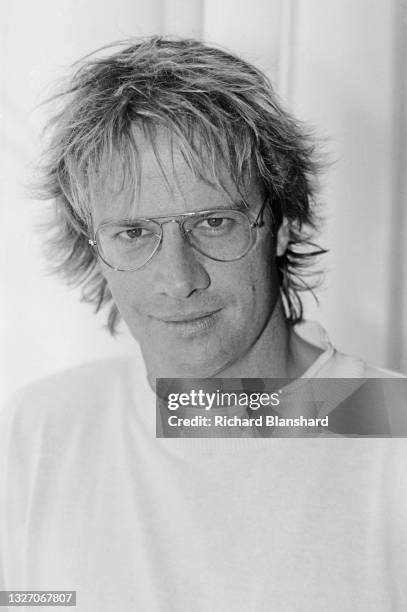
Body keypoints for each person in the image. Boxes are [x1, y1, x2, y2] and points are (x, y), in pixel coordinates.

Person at [0, 36, 406, 611]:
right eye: (135, 233)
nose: (177, 279)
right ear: (94, 249)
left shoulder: (389, 428)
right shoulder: (43, 431)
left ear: (283, 221)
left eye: (214, 222)